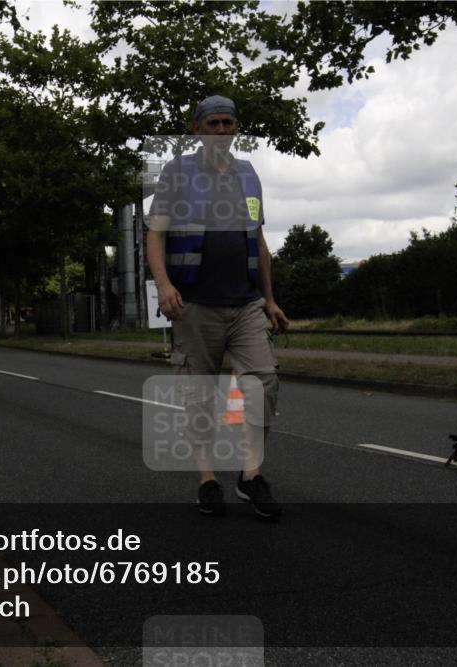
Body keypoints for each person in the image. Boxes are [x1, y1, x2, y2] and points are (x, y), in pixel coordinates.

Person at [146, 94, 289, 519]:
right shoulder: (177, 173)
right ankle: (207, 480)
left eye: (229, 123)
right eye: (215, 124)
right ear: (197, 129)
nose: (223, 130)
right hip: (195, 303)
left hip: (245, 303)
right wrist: (164, 286)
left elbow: (258, 240)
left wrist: (269, 298)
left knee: (263, 384)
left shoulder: (248, 175)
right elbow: (155, 234)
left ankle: (250, 476)